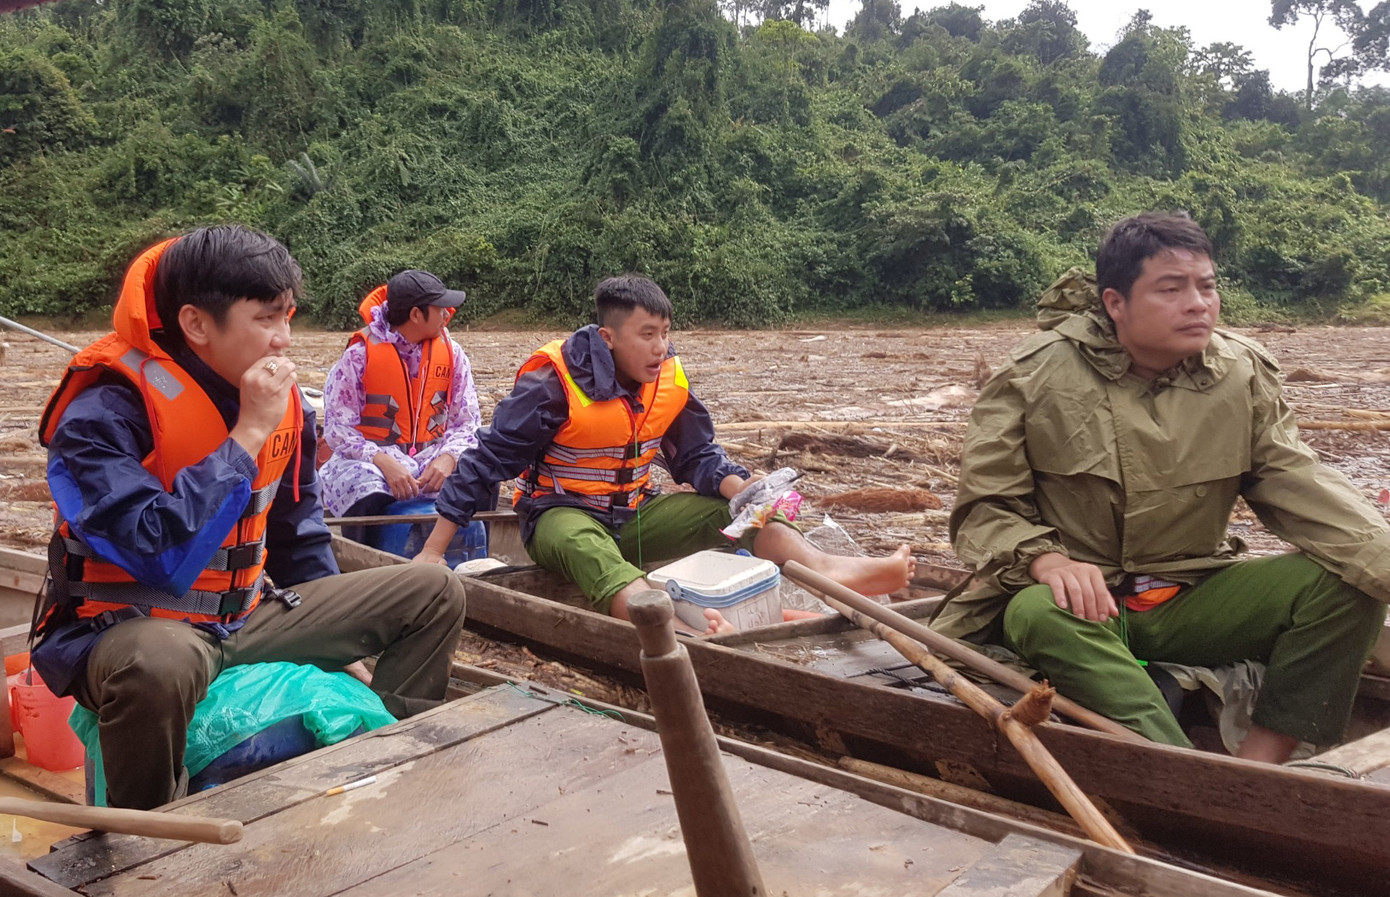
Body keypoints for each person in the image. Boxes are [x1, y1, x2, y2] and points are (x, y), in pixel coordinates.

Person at [33, 226, 467, 809]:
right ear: (196, 324)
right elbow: (155, 552)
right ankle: (147, 833)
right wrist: (245, 436)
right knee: (164, 662)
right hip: (128, 630)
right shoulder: (103, 412)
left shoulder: (283, 406)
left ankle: (389, 759)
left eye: (289, 317)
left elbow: (297, 534)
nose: (284, 340)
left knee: (435, 589)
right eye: (266, 320)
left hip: (244, 618)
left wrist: (341, 643)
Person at [937, 211, 1388, 761]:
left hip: (1190, 595)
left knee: (1352, 579)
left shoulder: (1241, 373)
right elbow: (985, 510)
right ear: (1114, 303)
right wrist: (1048, 563)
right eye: (1171, 289)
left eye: (1207, 286)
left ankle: (1261, 764)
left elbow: (1296, 479)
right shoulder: (1034, 376)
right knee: (1034, 611)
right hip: (1078, 610)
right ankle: (1180, 766)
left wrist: (1382, 557)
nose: (1198, 303)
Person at [412, 275, 915, 634]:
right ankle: (679, 631)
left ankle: (822, 567)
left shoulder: (668, 380)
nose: (660, 347)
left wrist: (742, 492)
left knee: (735, 513)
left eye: (666, 333)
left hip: (635, 513)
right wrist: (434, 552)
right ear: (608, 338)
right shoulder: (551, 383)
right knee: (589, 549)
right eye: (647, 335)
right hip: (558, 516)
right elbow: (486, 461)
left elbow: (697, 455)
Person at [318, 270, 481, 528]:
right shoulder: (358, 356)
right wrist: (384, 462)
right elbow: (338, 429)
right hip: (372, 460)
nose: (447, 315)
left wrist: (448, 458)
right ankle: (369, 557)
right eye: (439, 308)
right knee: (365, 488)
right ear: (415, 315)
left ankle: (471, 554)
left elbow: (467, 422)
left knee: (481, 474)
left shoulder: (453, 354)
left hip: (433, 456)